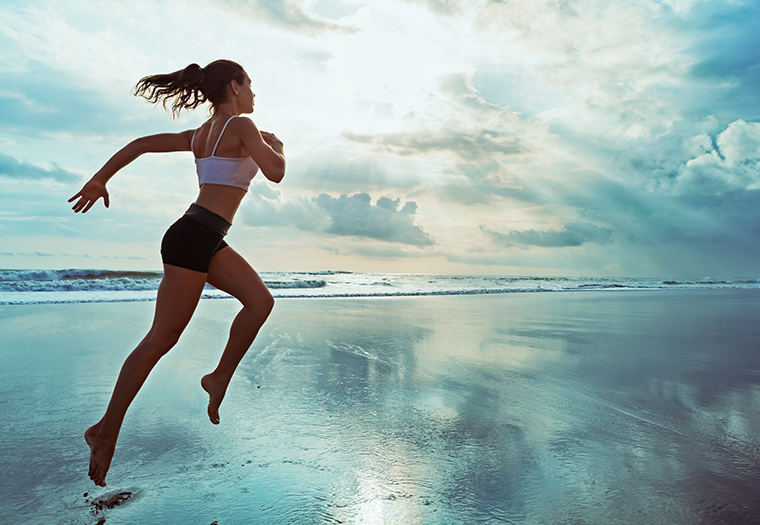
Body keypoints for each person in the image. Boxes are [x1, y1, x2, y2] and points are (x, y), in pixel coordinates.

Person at [68, 60, 285, 487]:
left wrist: (100, 178)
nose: (255, 95)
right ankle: (106, 429)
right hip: (193, 237)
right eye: (251, 85)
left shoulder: (202, 135)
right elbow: (276, 172)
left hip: (203, 236)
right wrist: (276, 146)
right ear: (235, 86)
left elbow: (141, 144)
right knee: (161, 339)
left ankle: (217, 377)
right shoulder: (241, 125)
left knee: (260, 302)